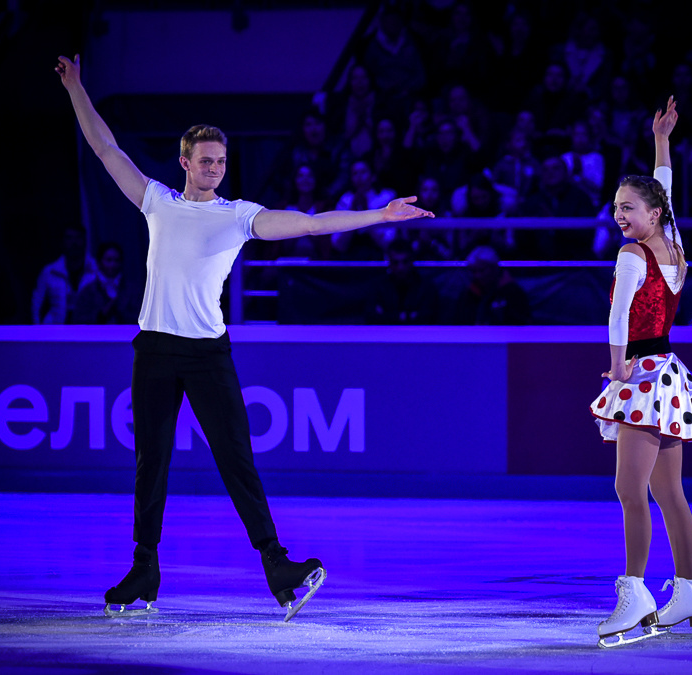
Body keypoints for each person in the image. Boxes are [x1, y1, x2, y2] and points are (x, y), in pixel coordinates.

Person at [55, 54, 433, 619]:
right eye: (205, 159)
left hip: (209, 354)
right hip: (155, 349)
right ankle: (144, 569)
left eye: (221, 160)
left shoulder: (238, 216)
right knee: (149, 462)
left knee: (236, 460)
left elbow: (307, 222)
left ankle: (278, 568)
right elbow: (107, 148)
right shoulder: (157, 200)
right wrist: (77, 89)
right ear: (185, 161)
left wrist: (378, 216)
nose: (214, 167)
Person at [589, 97, 692, 647]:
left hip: (642, 373)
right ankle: (688, 591)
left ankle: (635, 592)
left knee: (628, 488)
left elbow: (617, 315)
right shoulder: (673, 244)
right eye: (616, 208)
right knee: (670, 493)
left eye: (629, 208)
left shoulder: (631, 252)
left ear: (650, 214)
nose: (621, 216)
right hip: (669, 371)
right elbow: (665, 189)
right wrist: (661, 141)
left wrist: (617, 371)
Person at [31, 223, 97, 325]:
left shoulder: (96, 269)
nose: (74, 242)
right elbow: (37, 303)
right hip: (56, 330)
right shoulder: (50, 271)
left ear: (85, 240)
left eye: (78, 237)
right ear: (62, 241)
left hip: (88, 329)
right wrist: (39, 331)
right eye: (69, 238)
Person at [72, 241, 142, 325]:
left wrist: (121, 311)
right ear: (99, 262)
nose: (113, 264)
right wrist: (101, 315)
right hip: (96, 337)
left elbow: (141, 318)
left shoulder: (133, 290)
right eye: (108, 260)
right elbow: (78, 321)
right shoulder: (88, 291)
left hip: (127, 337)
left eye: (117, 260)